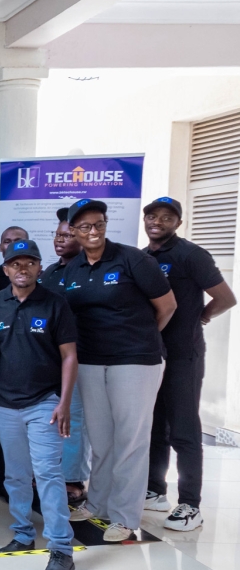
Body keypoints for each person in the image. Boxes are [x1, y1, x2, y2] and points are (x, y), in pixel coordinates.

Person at [59, 199, 177, 542]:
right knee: (102, 438)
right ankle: (99, 505)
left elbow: (167, 306)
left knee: (131, 439)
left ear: (105, 225)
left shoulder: (134, 259)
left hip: (135, 360)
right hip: (91, 361)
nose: (92, 232)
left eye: (98, 224)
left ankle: (125, 516)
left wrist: (137, 337)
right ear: (74, 232)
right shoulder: (73, 270)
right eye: (84, 227)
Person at [0, 239, 78, 570]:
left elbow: (69, 355)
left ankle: (61, 549)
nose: (22, 270)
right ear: (5, 269)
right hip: (6, 405)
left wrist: (64, 401)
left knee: (49, 474)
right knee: (16, 476)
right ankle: (23, 533)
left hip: (45, 403)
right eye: (15, 264)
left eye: (29, 264)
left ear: (40, 267)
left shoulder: (55, 304)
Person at [144, 196, 235, 531]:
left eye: (167, 217)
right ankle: (155, 490)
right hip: (153, 355)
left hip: (184, 354)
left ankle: (190, 505)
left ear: (178, 223)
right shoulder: (142, 257)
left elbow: (226, 298)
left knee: (184, 428)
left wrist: (202, 316)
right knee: (155, 425)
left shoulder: (191, 255)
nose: (158, 222)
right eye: (152, 216)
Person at [38, 207, 88, 504]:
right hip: (47, 358)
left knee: (73, 419)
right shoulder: (50, 273)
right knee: (48, 418)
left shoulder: (88, 267)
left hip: (78, 355)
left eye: (68, 235)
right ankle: (48, 475)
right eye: (58, 234)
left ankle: (72, 479)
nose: (61, 240)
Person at [0, 227, 29, 291]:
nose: (12, 245)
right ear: (0, 247)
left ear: (28, 245)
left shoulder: (40, 276)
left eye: (18, 241)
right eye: (7, 242)